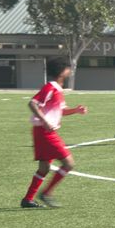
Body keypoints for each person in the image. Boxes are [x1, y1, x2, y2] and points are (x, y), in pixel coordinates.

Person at [21, 58, 88, 208]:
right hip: (45, 132)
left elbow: (61, 111)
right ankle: (46, 193)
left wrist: (76, 110)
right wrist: (45, 121)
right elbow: (32, 103)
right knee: (69, 163)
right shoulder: (50, 87)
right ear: (61, 71)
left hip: (42, 131)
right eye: (67, 68)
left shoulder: (58, 88)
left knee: (44, 168)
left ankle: (28, 199)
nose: (69, 70)